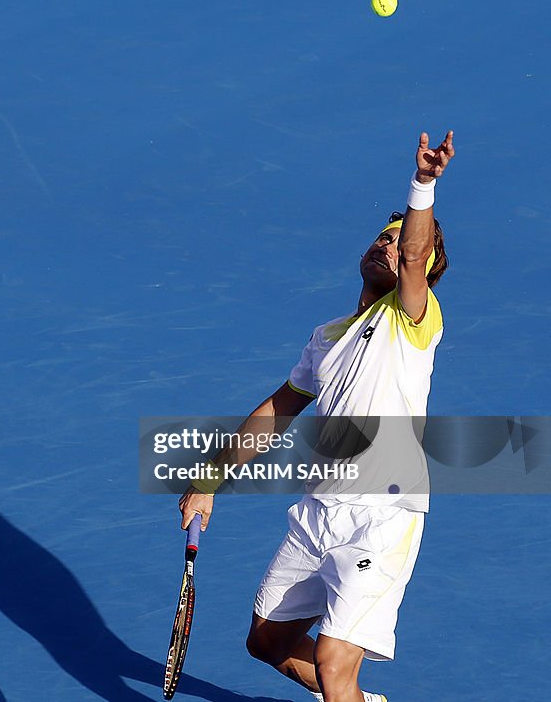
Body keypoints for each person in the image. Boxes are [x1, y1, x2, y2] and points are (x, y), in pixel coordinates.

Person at [178, 131, 455, 702]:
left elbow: (411, 253)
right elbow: (278, 411)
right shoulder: (326, 337)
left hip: (385, 513)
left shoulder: (414, 320)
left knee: (334, 662)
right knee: (268, 640)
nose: (390, 245)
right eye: (383, 235)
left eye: (404, 245)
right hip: (319, 509)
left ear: (420, 271)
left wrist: (422, 185)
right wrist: (208, 481)